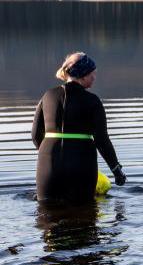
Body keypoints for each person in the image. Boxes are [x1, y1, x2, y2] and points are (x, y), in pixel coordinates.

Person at [32, 52, 126, 204]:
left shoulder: (47, 96)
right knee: (83, 213)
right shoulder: (92, 101)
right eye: (91, 74)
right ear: (82, 75)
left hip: (47, 164)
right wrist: (116, 170)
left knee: (46, 213)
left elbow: (36, 135)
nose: (94, 77)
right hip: (81, 164)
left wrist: (50, 155)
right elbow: (102, 140)